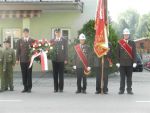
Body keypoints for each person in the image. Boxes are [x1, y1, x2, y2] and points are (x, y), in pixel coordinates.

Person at [116, 28, 137, 95]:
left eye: (127, 35)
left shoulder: (132, 43)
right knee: (122, 78)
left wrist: (134, 62)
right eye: (125, 35)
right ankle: (121, 90)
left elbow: (134, 53)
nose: (126, 36)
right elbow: (117, 53)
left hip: (130, 64)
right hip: (122, 64)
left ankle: (129, 90)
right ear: (123, 35)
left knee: (129, 78)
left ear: (129, 35)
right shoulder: (120, 43)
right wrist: (117, 62)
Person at [16, 28, 34, 93]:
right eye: (24, 33)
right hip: (22, 60)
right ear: (23, 33)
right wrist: (17, 59)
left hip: (29, 60)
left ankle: (29, 88)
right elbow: (18, 51)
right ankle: (25, 87)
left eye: (26, 32)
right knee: (24, 74)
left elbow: (35, 49)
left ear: (28, 33)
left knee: (29, 74)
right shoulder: (19, 41)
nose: (25, 34)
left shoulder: (32, 40)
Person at [51, 28, 68, 93]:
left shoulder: (64, 40)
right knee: (55, 74)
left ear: (60, 33)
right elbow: (50, 50)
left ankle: (61, 88)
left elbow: (66, 50)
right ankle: (55, 88)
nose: (57, 34)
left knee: (61, 75)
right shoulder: (52, 40)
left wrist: (66, 59)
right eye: (56, 32)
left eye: (59, 32)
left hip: (61, 60)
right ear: (55, 33)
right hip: (54, 59)